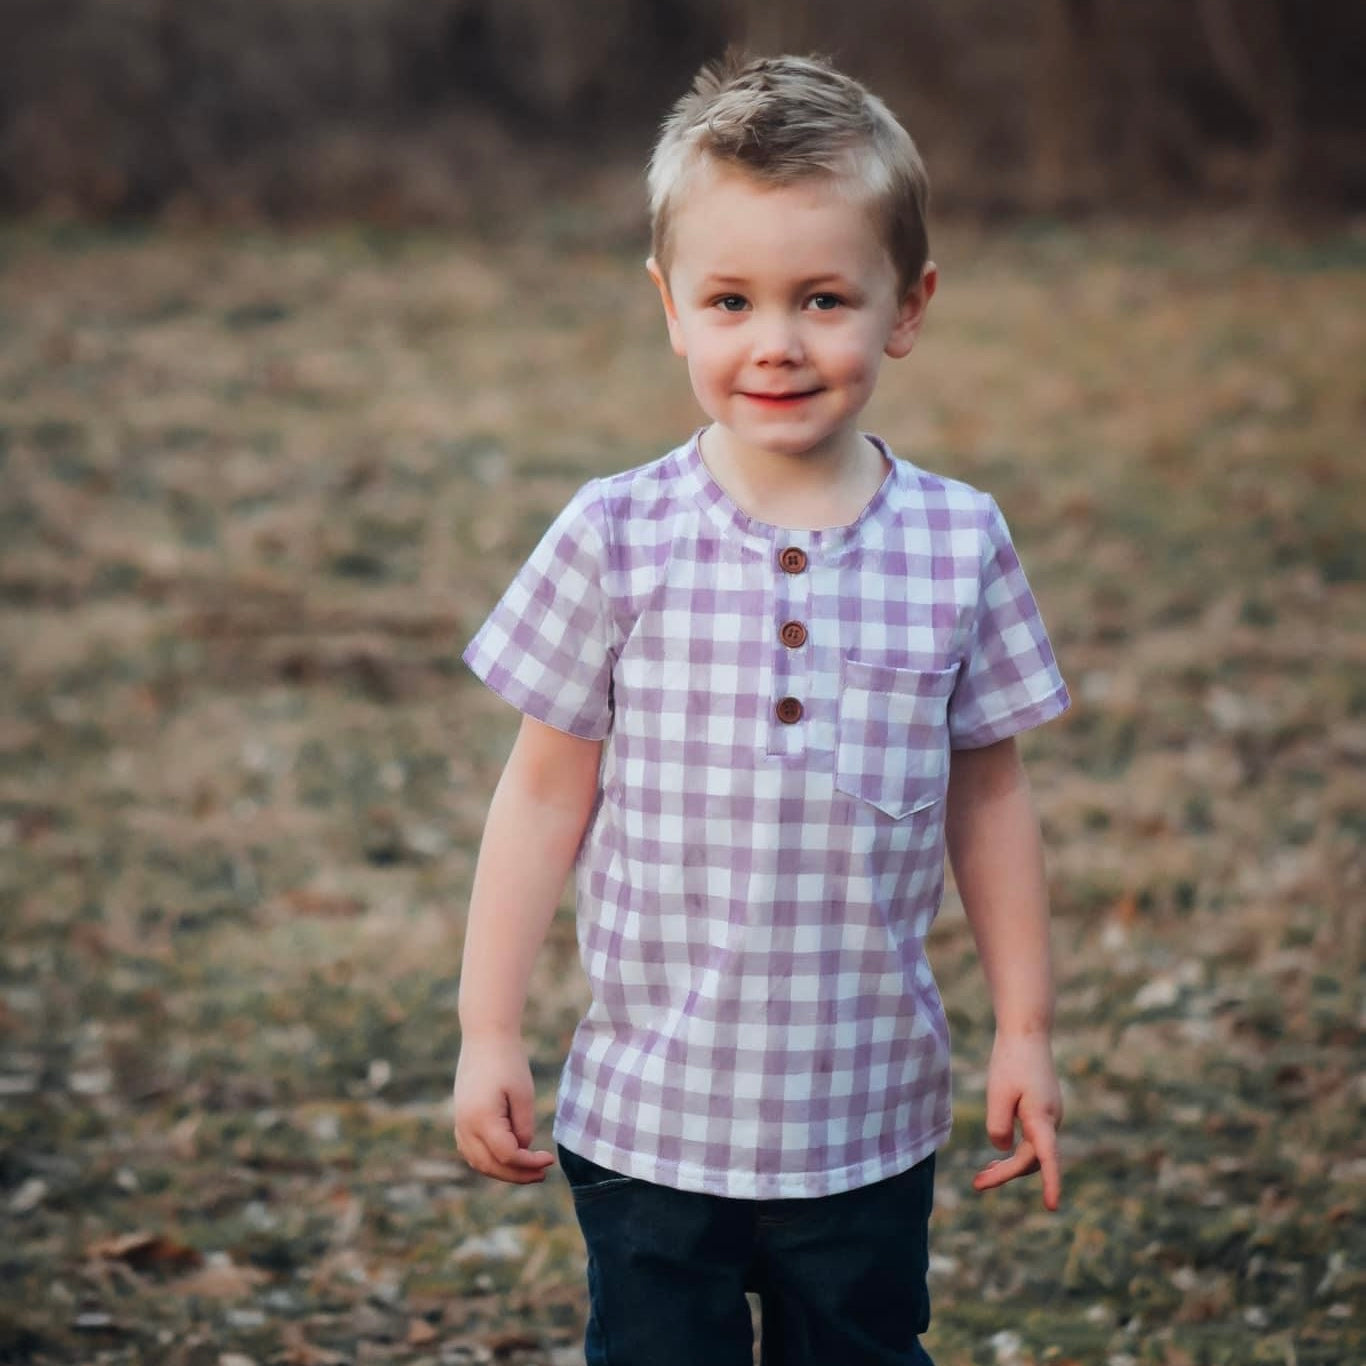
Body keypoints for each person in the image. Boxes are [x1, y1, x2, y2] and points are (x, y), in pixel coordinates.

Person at [454, 52, 1070, 1366]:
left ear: (907, 307)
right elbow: (542, 796)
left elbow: (991, 796)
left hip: (865, 1120)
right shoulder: (615, 535)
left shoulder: (957, 542)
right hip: (648, 1120)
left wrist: (1024, 1030)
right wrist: (488, 1031)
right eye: (730, 300)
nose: (775, 342)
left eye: (823, 298)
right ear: (670, 308)